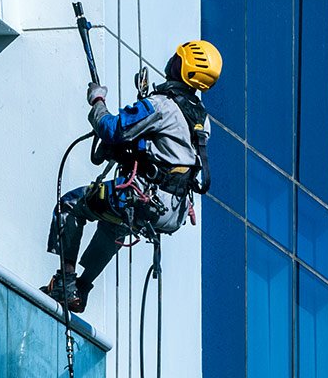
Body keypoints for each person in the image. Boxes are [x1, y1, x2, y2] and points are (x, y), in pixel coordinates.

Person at [41, 40, 222, 313]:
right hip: (171, 210)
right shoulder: (200, 120)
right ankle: (82, 289)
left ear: (181, 67)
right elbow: (164, 153)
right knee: (115, 225)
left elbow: (111, 128)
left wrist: (97, 100)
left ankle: (65, 283)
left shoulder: (161, 106)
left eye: (177, 58)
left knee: (69, 205)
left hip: (143, 197)